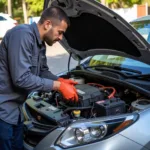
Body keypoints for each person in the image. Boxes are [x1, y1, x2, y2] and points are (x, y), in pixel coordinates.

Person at [0, 6, 78, 150]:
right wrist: (59, 86)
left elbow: (42, 71)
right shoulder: (22, 35)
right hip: (3, 111)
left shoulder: (40, 43)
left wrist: (60, 80)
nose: (61, 38)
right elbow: (21, 78)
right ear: (48, 24)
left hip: (16, 112)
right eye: (60, 32)